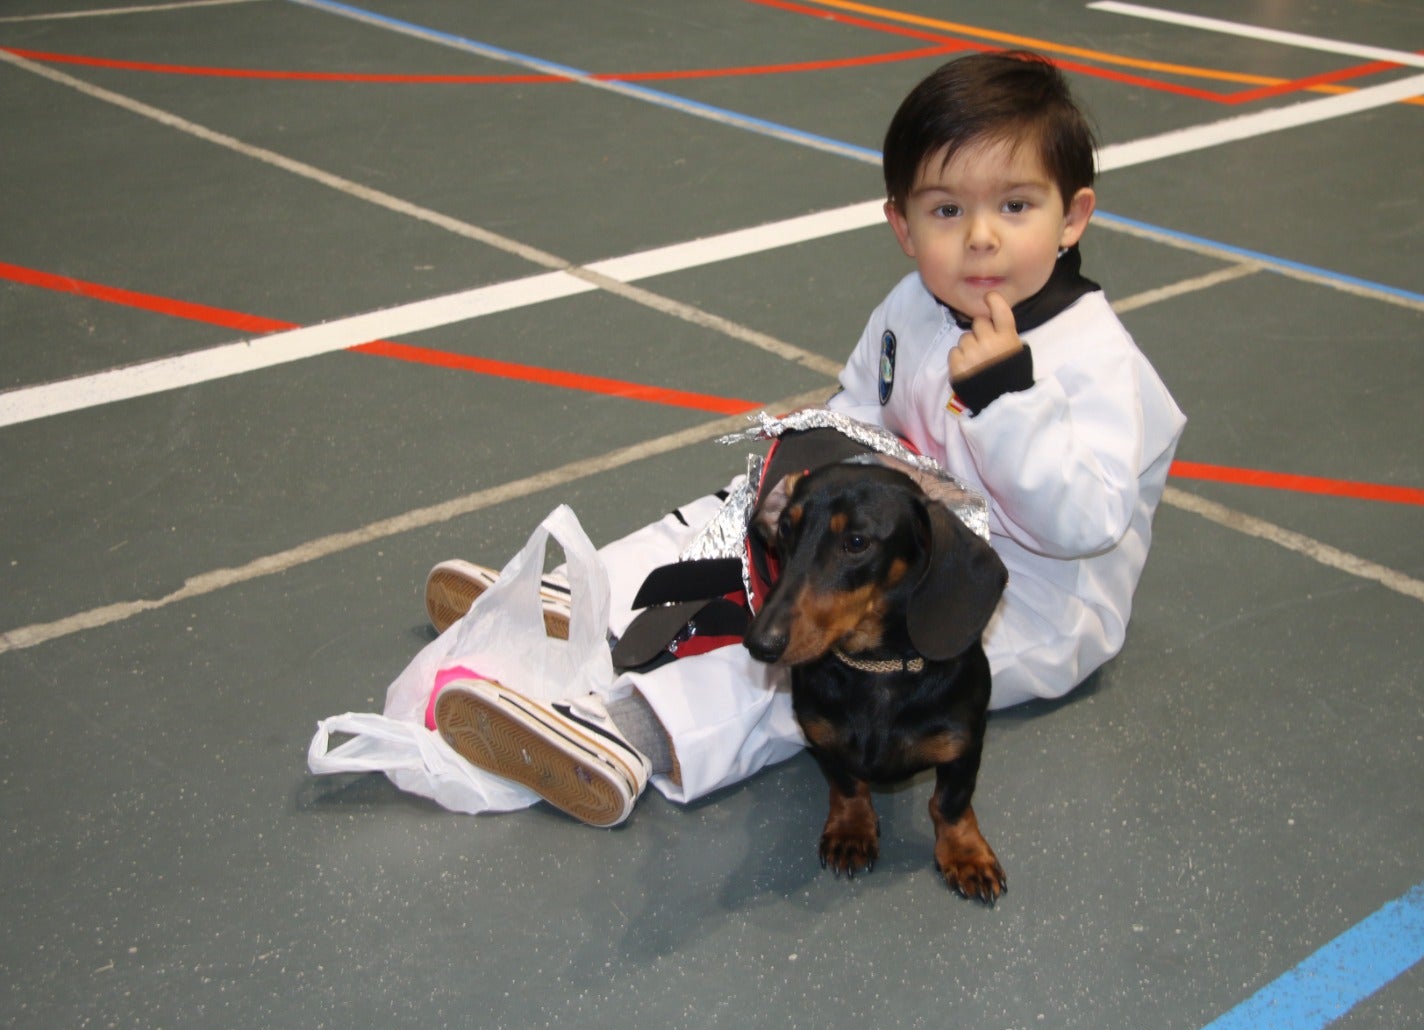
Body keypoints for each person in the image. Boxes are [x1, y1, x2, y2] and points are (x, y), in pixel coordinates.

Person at [423, 51, 1186, 828]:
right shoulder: (915, 307)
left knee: (833, 659)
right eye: (947, 212)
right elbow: (857, 414)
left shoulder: (1097, 361)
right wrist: (806, 478)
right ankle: (595, 598)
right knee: (742, 510)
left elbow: (1085, 525)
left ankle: (634, 732)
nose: (981, 239)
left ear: (1074, 217)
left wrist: (1004, 399)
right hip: (895, 544)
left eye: (1016, 207)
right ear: (902, 225)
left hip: (1019, 602)